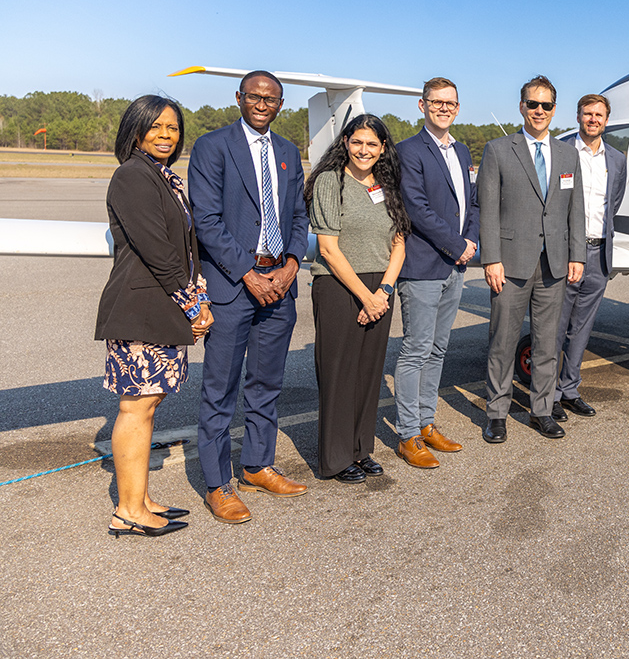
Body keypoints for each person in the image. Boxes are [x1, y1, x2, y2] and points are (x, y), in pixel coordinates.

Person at [189, 70, 310, 524]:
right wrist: (246, 271)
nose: (262, 104)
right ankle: (220, 485)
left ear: (281, 104)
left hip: (280, 281)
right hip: (233, 285)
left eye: (271, 98)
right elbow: (207, 219)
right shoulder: (212, 146)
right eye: (255, 96)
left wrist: (293, 263)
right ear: (239, 98)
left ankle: (258, 464)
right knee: (220, 389)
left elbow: (298, 214)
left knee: (266, 383)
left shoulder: (287, 152)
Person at [95, 96, 212, 537]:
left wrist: (194, 296)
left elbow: (184, 249)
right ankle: (128, 510)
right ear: (136, 129)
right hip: (140, 308)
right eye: (156, 126)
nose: (166, 134)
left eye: (173, 127)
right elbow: (159, 252)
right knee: (136, 406)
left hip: (162, 305)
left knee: (149, 404)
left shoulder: (162, 176)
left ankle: (140, 498)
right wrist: (194, 304)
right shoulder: (131, 176)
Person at [477, 75, 586, 443]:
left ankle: (541, 410)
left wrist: (578, 255)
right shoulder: (498, 150)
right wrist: (491, 258)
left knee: (546, 342)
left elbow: (576, 211)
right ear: (522, 107)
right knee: (503, 341)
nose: (540, 111)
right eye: (533, 104)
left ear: (555, 110)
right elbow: (487, 211)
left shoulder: (569, 153)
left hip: (554, 263)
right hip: (510, 263)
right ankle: (497, 412)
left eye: (547, 105)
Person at [305, 115, 409, 483]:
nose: (364, 150)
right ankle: (335, 457)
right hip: (338, 285)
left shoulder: (386, 186)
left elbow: (399, 243)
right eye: (358, 142)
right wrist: (367, 297)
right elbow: (328, 250)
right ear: (346, 142)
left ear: (382, 149)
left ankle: (361, 449)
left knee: (368, 372)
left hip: (380, 288)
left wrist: (383, 291)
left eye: (372, 144)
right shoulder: (330, 182)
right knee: (339, 373)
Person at [392, 77, 478, 469]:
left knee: (439, 348)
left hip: (455, 265)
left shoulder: (460, 150)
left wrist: (471, 240)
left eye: (451, 103)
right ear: (423, 105)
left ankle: (427, 423)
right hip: (425, 265)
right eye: (437, 102)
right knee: (416, 349)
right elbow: (416, 207)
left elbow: (471, 204)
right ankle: (408, 434)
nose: (444, 108)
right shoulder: (408, 151)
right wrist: (457, 245)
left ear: (458, 108)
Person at [552, 94, 627, 422]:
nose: (593, 119)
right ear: (579, 116)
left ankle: (570, 389)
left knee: (581, 327)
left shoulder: (617, 159)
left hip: (599, 253)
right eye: (587, 114)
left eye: (599, 114)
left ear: (606, 119)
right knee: (555, 327)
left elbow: (615, 202)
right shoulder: (562, 151)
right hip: (568, 252)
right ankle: (548, 394)